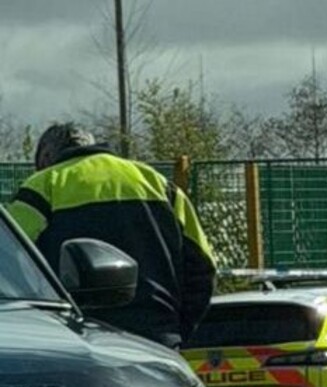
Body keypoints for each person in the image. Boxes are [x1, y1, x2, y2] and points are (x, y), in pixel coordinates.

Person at [7, 122, 215, 348]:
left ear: (46, 157)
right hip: (156, 336)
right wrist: (175, 328)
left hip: (73, 338)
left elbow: (8, 256)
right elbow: (202, 265)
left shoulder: (43, 185)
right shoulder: (158, 183)